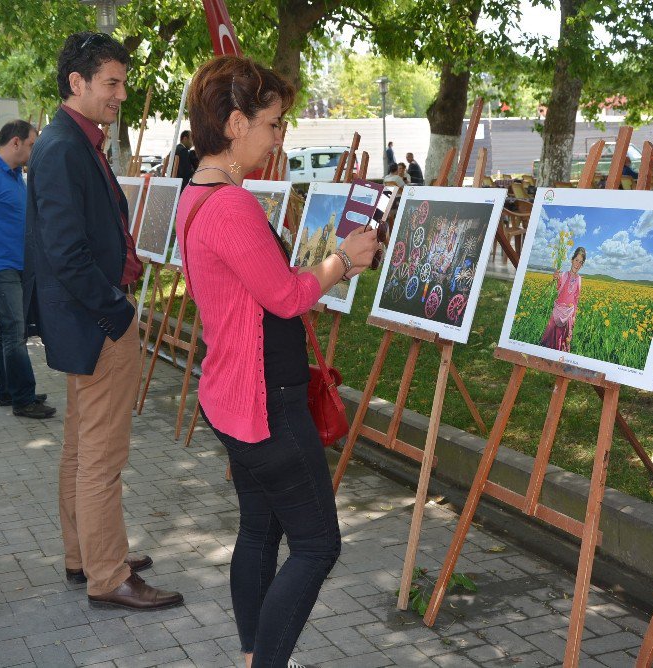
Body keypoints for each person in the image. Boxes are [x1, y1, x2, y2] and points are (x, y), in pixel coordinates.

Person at [176, 55, 379, 668]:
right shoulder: (231, 206)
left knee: (260, 529)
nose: (278, 136)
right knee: (317, 545)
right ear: (235, 124)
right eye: (272, 123)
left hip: (232, 396)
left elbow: (256, 288)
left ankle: (251, 656)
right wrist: (342, 260)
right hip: (265, 404)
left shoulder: (199, 192)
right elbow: (285, 295)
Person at [24, 31, 180, 612]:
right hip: (96, 323)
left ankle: (85, 554)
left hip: (83, 323)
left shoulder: (70, 140)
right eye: (111, 83)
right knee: (101, 456)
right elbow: (65, 254)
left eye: (122, 82)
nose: (120, 94)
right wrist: (117, 311)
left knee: (81, 450)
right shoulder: (65, 145)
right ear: (78, 84)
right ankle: (108, 574)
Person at [0, 120, 55, 419]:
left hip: (15, 263)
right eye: (32, 145)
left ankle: (7, 391)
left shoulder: (15, 175)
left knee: (10, 330)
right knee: (16, 332)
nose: (34, 151)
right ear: (16, 142)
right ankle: (24, 398)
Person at [539, 247, 586, 352]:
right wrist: (555, 278)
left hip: (569, 314)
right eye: (576, 260)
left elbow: (576, 299)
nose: (577, 264)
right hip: (558, 311)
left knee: (564, 338)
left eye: (580, 262)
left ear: (582, 265)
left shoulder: (579, 280)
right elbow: (556, 288)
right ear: (571, 260)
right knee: (551, 334)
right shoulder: (563, 275)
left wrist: (573, 316)